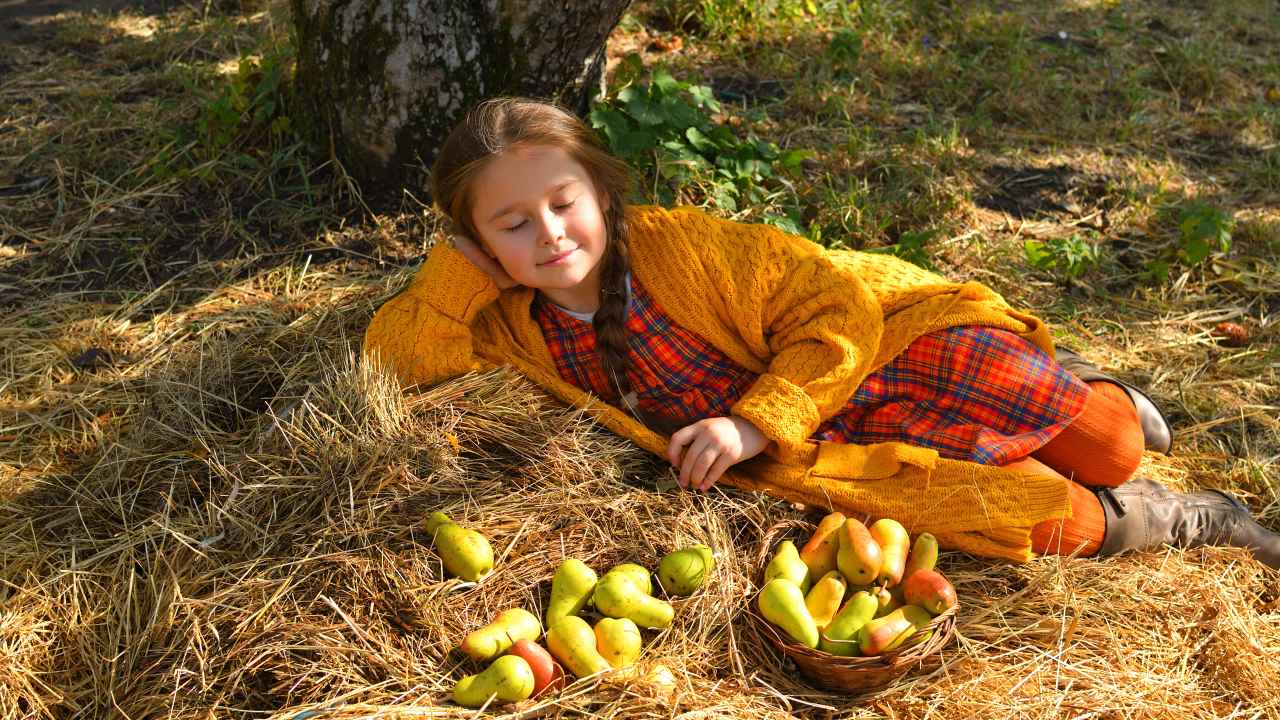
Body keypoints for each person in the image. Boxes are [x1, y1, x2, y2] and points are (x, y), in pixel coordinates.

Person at [363, 97, 1279, 568]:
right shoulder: (511, 323)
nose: (549, 235)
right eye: (511, 225)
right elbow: (394, 361)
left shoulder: (686, 248)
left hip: (874, 347)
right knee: (1060, 521)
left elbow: (834, 308)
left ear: (599, 192)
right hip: (833, 444)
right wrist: (455, 272)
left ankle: (1088, 386)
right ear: (475, 240)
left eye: (563, 204)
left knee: (1109, 443)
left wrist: (752, 422)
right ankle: (1188, 519)